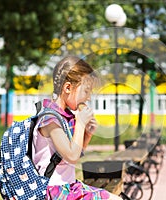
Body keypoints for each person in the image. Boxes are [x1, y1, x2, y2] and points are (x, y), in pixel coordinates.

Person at [32, 55, 122, 200]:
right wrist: (80, 123)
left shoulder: (65, 116)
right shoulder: (50, 119)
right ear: (68, 87)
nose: (88, 98)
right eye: (86, 91)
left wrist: (87, 134)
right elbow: (71, 156)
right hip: (53, 192)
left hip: (69, 186)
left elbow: (72, 155)